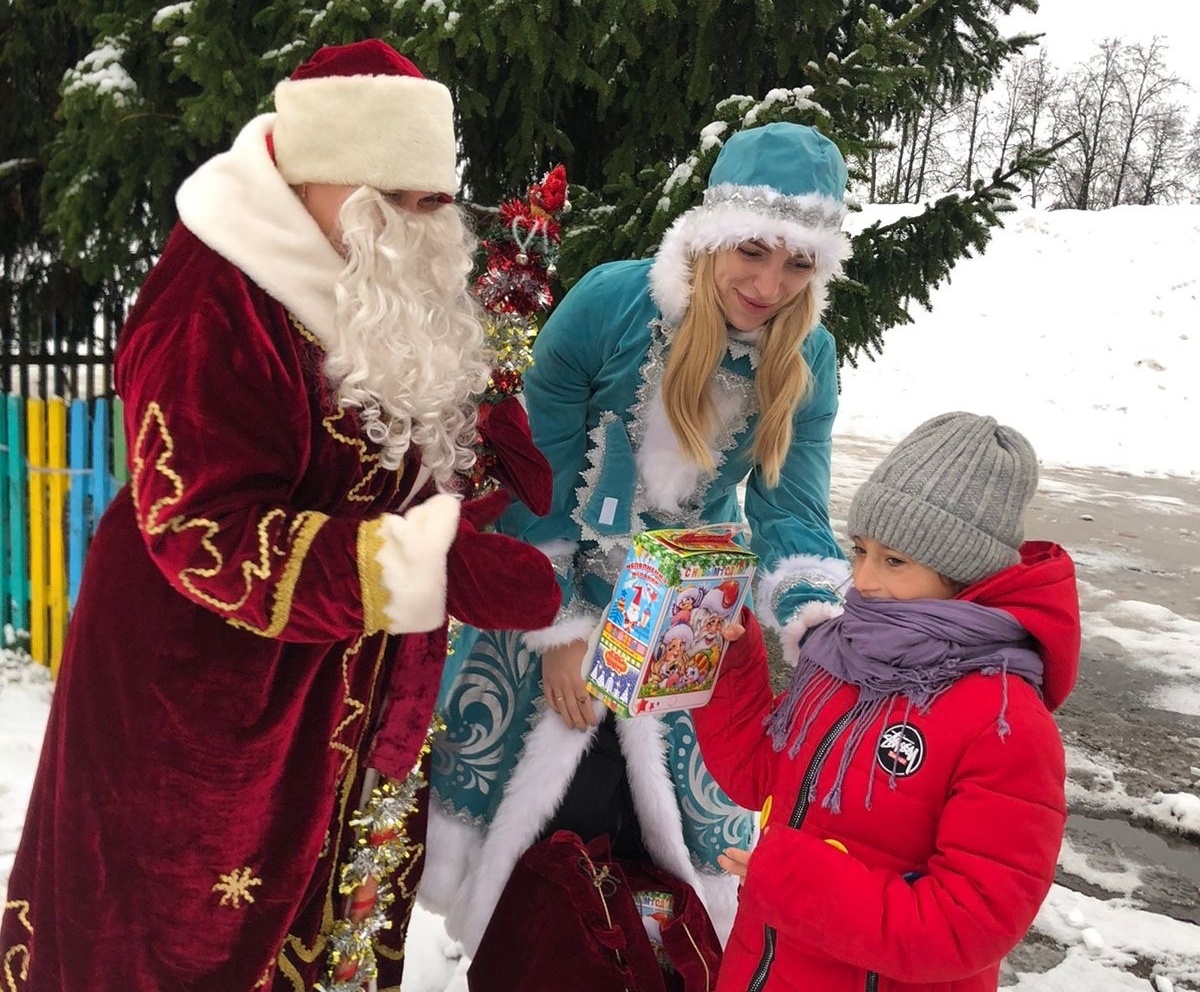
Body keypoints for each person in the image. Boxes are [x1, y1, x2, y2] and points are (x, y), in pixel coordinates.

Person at [0, 39, 559, 992]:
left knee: (335, 917)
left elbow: (380, 448)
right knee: (182, 941)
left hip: (358, 683)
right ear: (318, 175)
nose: (429, 226)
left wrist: (470, 447)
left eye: (437, 200)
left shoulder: (373, 271)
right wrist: (431, 569)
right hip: (209, 696)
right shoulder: (214, 299)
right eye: (405, 200)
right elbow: (202, 530)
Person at [421, 122, 856, 953]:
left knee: (658, 848)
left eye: (798, 264)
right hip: (555, 587)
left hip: (682, 611)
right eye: (754, 253)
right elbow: (532, 475)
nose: (769, 284)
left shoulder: (810, 356)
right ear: (714, 235)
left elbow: (790, 510)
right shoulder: (612, 304)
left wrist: (815, 622)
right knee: (546, 840)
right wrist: (560, 633)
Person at [692, 412, 1082, 992]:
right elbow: (760, 779)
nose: (865, 581)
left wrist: (797, 883)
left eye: (894, 560)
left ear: (962, 569)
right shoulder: (844, 656)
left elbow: (965, 927)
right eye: (860, 550)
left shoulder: (1005, 722)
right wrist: (727, 668)